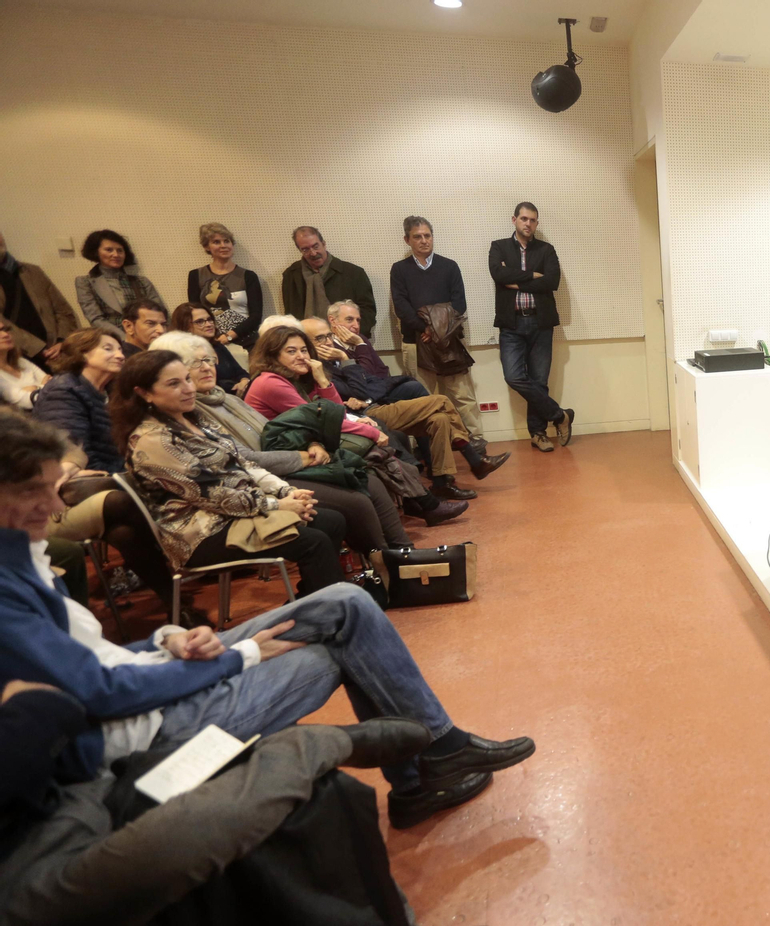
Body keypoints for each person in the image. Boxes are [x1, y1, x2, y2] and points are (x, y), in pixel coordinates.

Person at [0, 411, 537, 829]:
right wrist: (242, 655)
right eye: (35, 491)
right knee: (341, 647)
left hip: (162, 678)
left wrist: (167, 636)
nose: (54, 506)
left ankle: (435, 755)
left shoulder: (23, 559)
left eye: (60, 488)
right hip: (151, 730)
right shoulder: (8, 586)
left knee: (345, 605)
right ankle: (422, 775)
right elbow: (104, 693)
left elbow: (96, 658)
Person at [0, 678, 425, 925]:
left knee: (339, 602)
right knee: (266, 809)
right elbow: (60, 697)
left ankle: (432, 759)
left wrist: (175, 640)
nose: (48, 516)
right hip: (33, 859)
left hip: (80, 780)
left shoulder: (32, 570)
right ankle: (326, 743)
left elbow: (63, 692)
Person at [151, 330, 414, 555]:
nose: (208, 367)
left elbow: (289, 429)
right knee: (357, 495)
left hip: (281, 464)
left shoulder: (225, 398)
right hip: (258, 481)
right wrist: (305, 455)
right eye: (195, 364)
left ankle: (402, 552)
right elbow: (244, 460)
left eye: (209, 360)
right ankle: (386, 563)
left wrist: (313, 444)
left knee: (365, 474)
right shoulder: (194, 412)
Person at [113, 350, 350, 598]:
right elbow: (211, 496)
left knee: (332, 522)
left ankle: (311, 604)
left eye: (187, 379)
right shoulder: (152, 440)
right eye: (174, 384)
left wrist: (287, 492)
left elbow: (244, 463)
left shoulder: (193, 419)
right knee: (314, 542)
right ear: (144, 393)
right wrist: (277, 505)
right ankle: (329, 614)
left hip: (239, 511)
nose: (188, 388)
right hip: (201, 533)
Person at [247, 325, 504, 500]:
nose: (327, 342)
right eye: (319, 339)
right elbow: (351, 395)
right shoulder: (312, 368)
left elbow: (376, 375)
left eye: (305, 349)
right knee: (441, 402)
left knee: (438, 419)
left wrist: (355, 350)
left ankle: (443, 483)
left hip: (367, 409)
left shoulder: (315, 368)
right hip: (366, 412)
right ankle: (472, 456)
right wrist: (342, 367)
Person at [391, 216, 484, 444]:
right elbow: (402, 307)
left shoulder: (449, 266)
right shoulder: (400, 270)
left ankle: (477, 440)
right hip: (415, 342)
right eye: (417, 237)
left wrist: (436, 331)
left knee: (463, 396)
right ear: (407, 240)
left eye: (427, 235)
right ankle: (430, 447)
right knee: (423, 399)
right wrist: (427, 328)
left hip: (449, 342)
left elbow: (458, 305)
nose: (424, 241)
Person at [489, 202, 574, 452]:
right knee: (513, 376)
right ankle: (560, 416)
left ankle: (538, 434)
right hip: (511, 323)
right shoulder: (499, 247)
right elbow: (498, 275)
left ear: (537, 223)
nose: (528, 224)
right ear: (514, 219)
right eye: (524, 219)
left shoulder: (546, 250)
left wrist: (514, 279)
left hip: (541, 322)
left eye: (533, 220)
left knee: (539, 380)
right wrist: (534, 276)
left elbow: (553, 281)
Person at [32, 329, 125, 472]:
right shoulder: (63, 391)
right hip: (94, 479)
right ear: (81, 353)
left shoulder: (114, 388)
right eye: (108, 349)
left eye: (120, 350)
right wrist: (124, 477)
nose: (120, 356)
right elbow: (76, 452)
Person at [0, 229, 81, 365]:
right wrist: (39, 349)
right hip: (18, 359)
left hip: (60, 351)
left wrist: (63, 341)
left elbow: (62, 310)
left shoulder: (32, 271)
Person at [279, 226, 377, 337]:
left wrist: (351, 337)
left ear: (323, 243)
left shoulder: (354, 273)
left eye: (316, 246)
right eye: (305, 249)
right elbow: (289, 314)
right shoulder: (291, 275)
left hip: (348, 342)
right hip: (306, 343)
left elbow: (368, 311)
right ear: (300, 250)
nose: (313, 253)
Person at [327, 298, 430, 404]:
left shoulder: (361, 338)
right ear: (333, 321)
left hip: (378, 390)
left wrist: (360, 343)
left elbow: (382, 370)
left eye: (358, 320)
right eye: (349, 320)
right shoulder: (331, 347)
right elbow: (365, 377)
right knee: (414, 388)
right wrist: (360, 345)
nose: (356, 326)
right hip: (360, 398)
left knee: (416, 388)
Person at [73, 230, 166, 338]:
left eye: (120, 250)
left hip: (148, 337)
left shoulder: (141, 281)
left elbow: (161, 313)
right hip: (112, 339)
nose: (116, 254)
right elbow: (95, 319)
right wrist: (125, 339)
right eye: (109, 250)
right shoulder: (85, 282)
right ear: (96, 252)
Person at [185, 222, 264, 348]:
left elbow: (256, 316)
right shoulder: (196, 275)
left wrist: (229, 336)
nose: (223, 246)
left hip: (246, 340)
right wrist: (213, 338)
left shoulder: (248, 276)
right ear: (206, 247)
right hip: (210, 341)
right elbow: (194, 313)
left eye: (226, 241)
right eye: (216, 242)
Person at [171, 301, 249, 394]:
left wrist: (244, 381)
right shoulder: (184, 353)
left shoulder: (217, 346)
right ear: (185, 326)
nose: (209, 324)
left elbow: (240, 372)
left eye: (209, 319)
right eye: (200, 321)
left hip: (235, 396)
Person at [0, 321, 51, 410]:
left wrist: (34, 389)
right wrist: (42, 385)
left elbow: (53, 383)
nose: (5, 334)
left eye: (5, 329)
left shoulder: (20, 361)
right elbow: (28, 402)